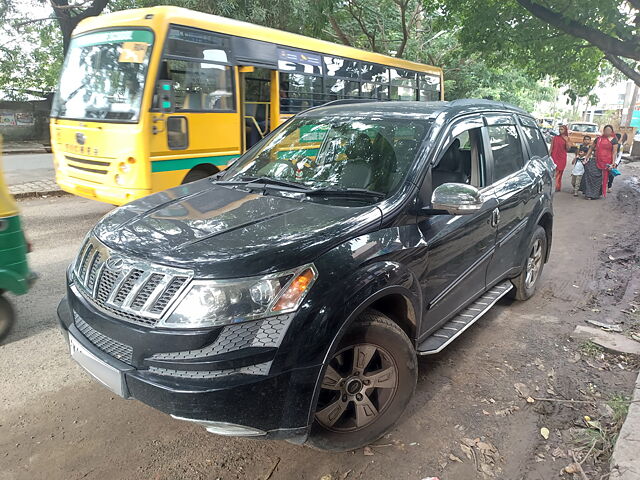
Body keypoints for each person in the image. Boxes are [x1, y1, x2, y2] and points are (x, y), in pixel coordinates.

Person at [583, 125, 618, 199]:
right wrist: (586, 157)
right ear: (604, 131)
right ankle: (589, 193)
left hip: (606, 163)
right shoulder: (598, 139)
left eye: (609, 130)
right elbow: (592, 147)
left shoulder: (614, 140)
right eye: (606, 130)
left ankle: (596, 194)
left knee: (600, 179)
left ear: (611, 131)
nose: (607, 131)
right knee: (591, 175)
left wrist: (613, 163)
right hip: (596, 160)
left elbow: (614, 152)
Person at [550, 125, 573, 191]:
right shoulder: (555, 138)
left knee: (560, 171)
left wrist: (566, 141)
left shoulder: (567, 138)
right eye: (559, 129)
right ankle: (555, 186)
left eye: (562, 129)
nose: (560, 131)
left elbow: (568, 149)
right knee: (555, 172)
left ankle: (557, 186)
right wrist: (549, 156)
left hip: (562, 157)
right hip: (554, 156)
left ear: (565, 130)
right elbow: (551, 148)